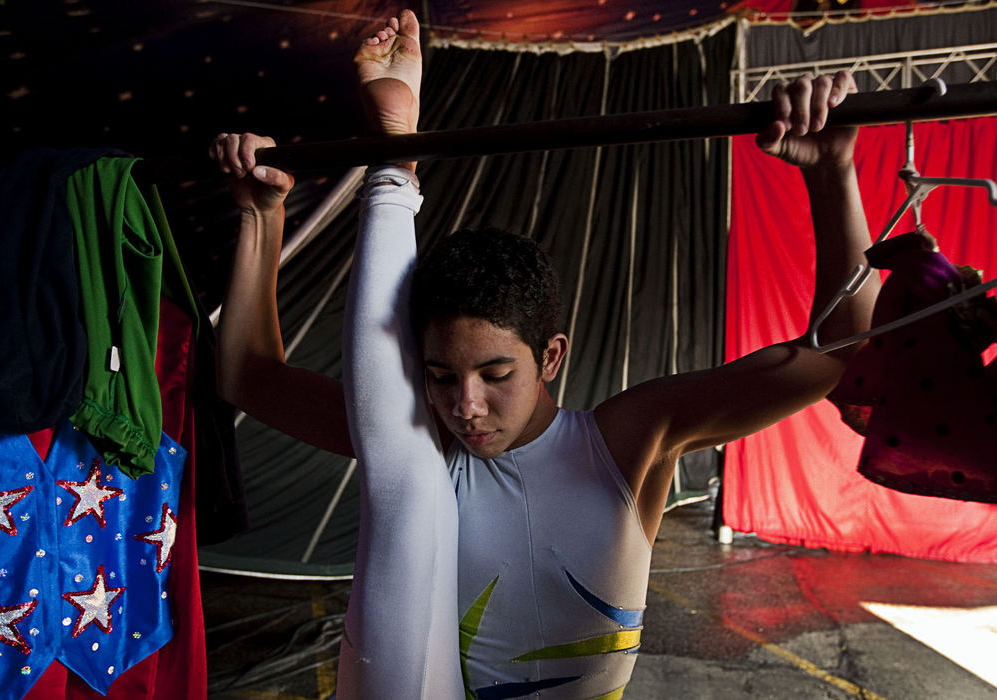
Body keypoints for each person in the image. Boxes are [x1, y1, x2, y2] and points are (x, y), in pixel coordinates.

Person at [210, 9, 878, 699]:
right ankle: (394, 161)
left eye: (496, 374)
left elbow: (835, 355)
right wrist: (262, 219)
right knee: (402, 453)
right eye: (440, 376)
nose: (466, 406)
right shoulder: (418, 440)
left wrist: (833, 173)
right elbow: (245, 377)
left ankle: (394, 166)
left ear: (551, 356)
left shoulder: (626, 440)